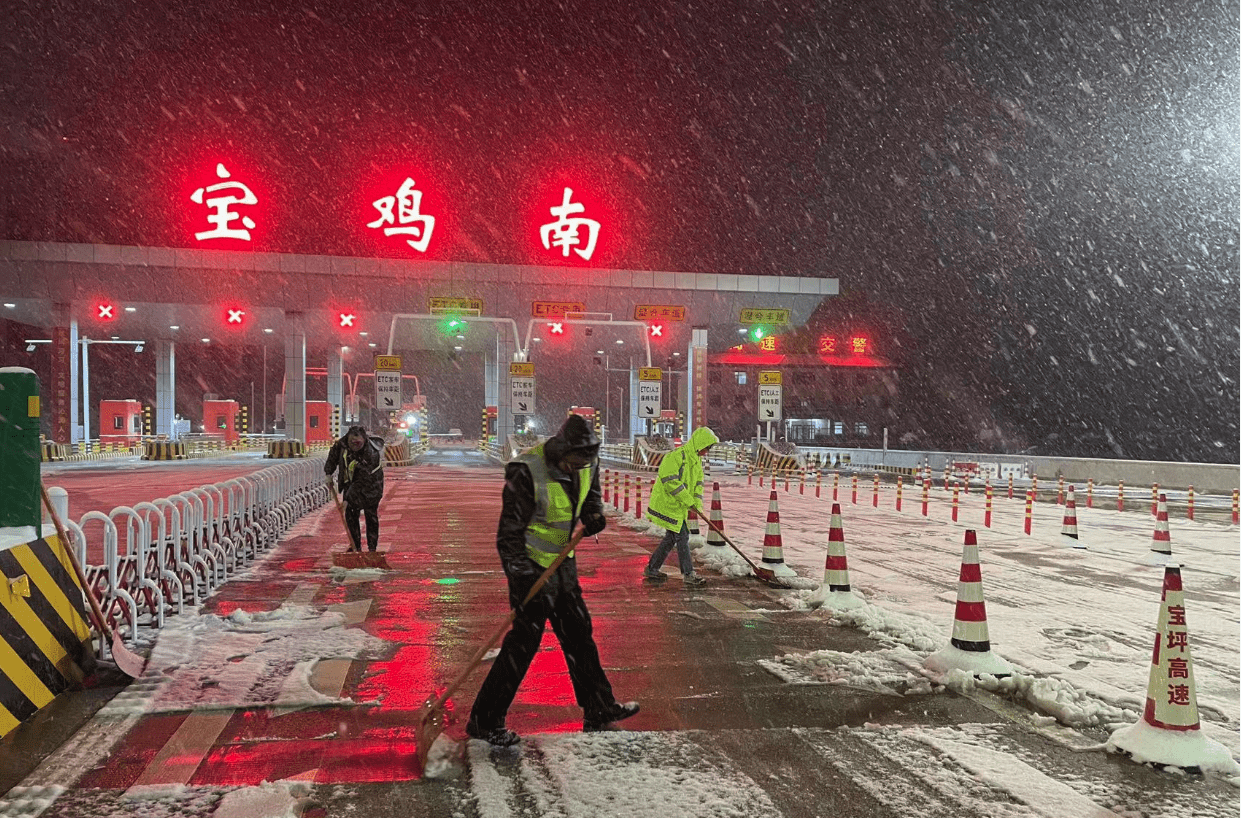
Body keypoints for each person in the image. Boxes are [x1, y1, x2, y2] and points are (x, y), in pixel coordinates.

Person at [466, 414, 639, 746]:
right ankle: (485, 720)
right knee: (523, 645)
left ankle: (598, 707)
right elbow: (508, 535)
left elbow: (590, 494)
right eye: (574, 462)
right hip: (530, 569)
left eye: (585, 461)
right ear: (562, 450)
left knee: (580, 636)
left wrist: (593, 514)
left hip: (562, 567)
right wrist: (521, 575)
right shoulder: (527, 471)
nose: (579, 468)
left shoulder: (588, 460)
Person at [643, 426, 719, 586]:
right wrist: (688, 501)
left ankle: (652, 568)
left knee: (672, 538)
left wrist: (696, 504)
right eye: (706, 448)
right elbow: (669, 481)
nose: (706, 452)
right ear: (699, 445)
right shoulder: (677, 457)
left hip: (678, 506)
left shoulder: (696, 462)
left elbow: (698, 485)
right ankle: (689, 574)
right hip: (666, 504)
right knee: (682, 536)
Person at [324, 425, 386, 552]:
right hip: (350, 483)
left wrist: (347, 499)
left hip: (372, 486)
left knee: (371, 516)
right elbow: (333, 457)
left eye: (358, 443)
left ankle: (372, 547)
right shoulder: (342, 445)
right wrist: (328, 474)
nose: (354, 446)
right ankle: (355, 545)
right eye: (352, 443)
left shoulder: (371, 453)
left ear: (364, 440)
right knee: (351, 515)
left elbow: (361, 479)